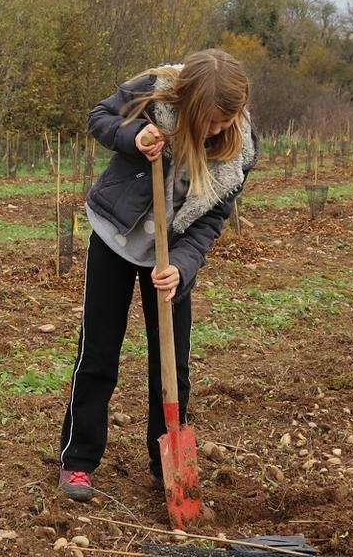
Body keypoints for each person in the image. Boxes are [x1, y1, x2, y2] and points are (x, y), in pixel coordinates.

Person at [57, 49, 255, 501]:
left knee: (172, 362)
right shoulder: (154, 90)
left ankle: (164, 466)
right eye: (207, 120)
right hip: (116, 237)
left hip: (170, 258)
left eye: (223, 123)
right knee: (99, 351)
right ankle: (79, 460)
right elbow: (100, 117)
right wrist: (133, 137)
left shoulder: (239, 149)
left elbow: (211, 219)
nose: (213, 131)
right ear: (186, 101)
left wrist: (182, 266)